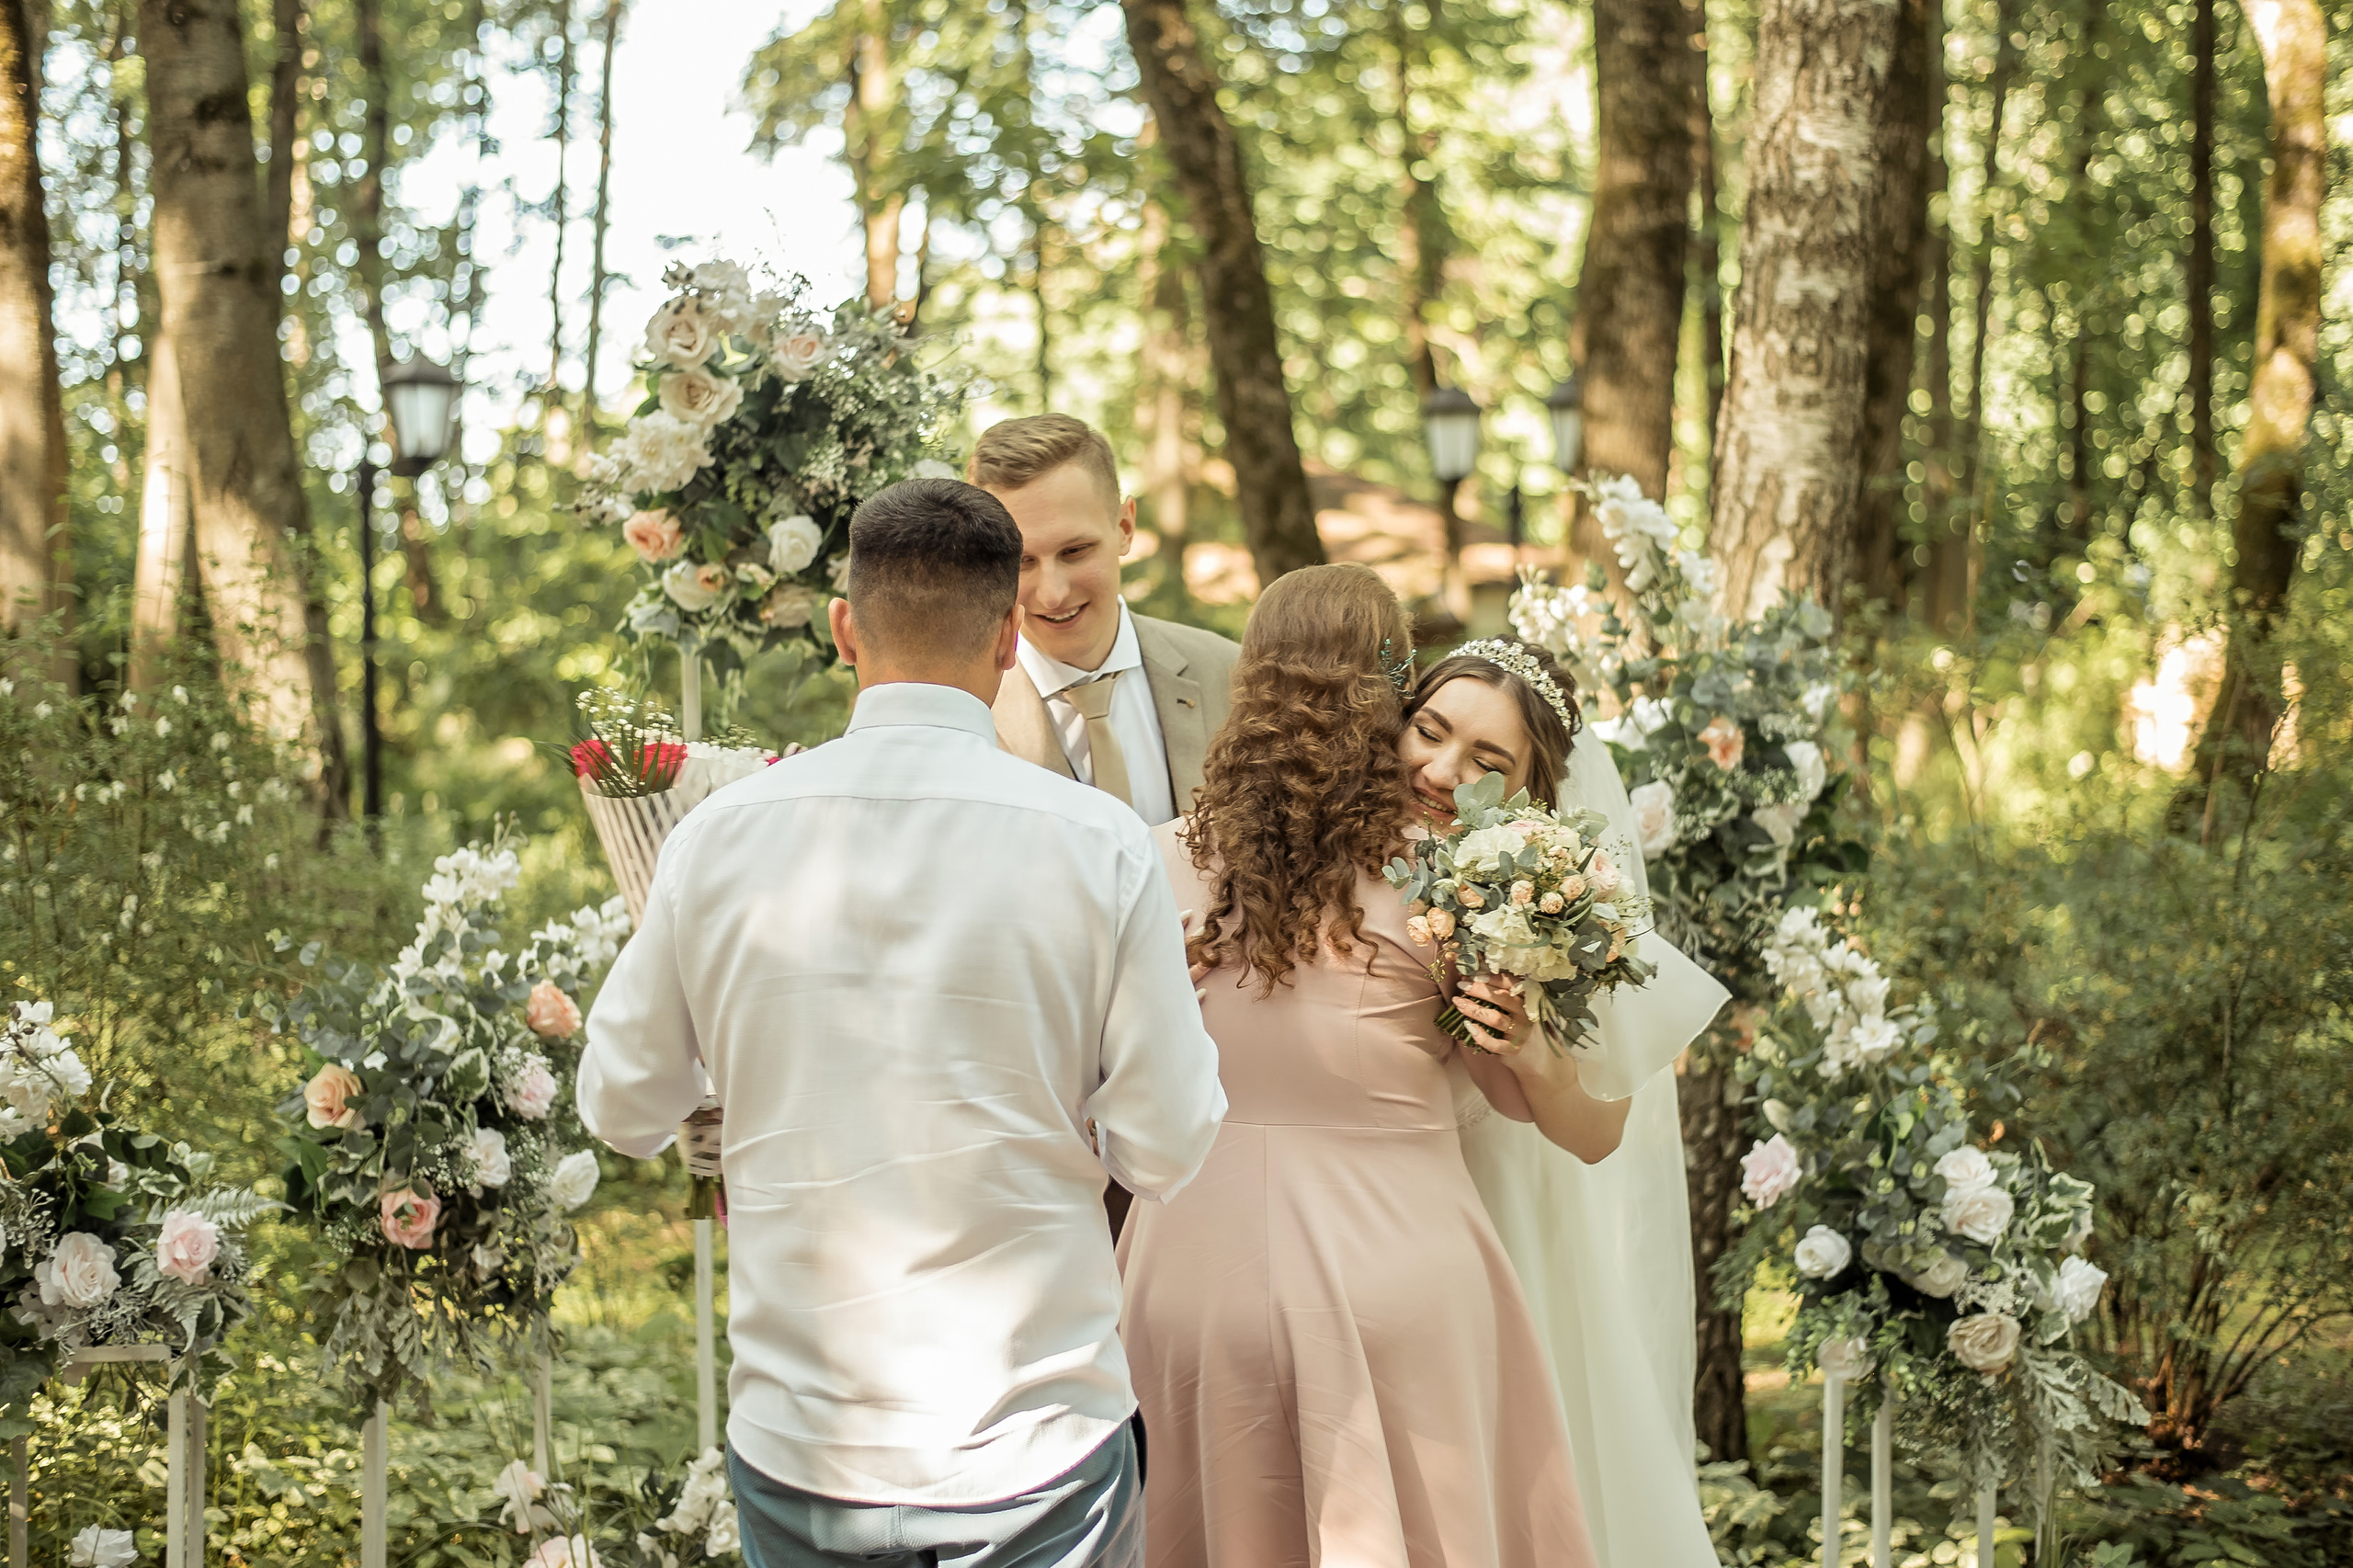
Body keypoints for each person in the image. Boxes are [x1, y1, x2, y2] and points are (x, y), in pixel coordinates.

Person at [577, 477, 1228, 1568]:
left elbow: (622, 1106)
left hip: (806, 1441)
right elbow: (1170, 1141)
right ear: (1009, 635)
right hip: (1037, 1441)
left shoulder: (718, 839)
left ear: (844, 628)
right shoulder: (1101, 845)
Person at [1118, 563, 1598, 1568]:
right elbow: (1557, 1116)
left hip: (1188, 1279)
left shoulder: (1149, 858)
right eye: (1428, 727)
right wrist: (1535, 1052)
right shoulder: (1452, 887)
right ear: (1386, 703)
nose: (1438, 767)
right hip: (1394, 1273)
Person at [1399, 637, 1733, 1568]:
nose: (1441, 770)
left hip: (1506, 1215)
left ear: (1535, 791)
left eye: (1485, 762)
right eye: (1429, 732)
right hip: (1369, 1213)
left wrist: (1537, 1057)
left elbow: (1598, 1133)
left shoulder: (1550, 903)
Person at [970, 414, 1239, 826]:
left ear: (1125, 527)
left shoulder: (1233, 677)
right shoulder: (963, 715)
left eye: (1075, 551)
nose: (1053, 593)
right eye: (1021, 562)